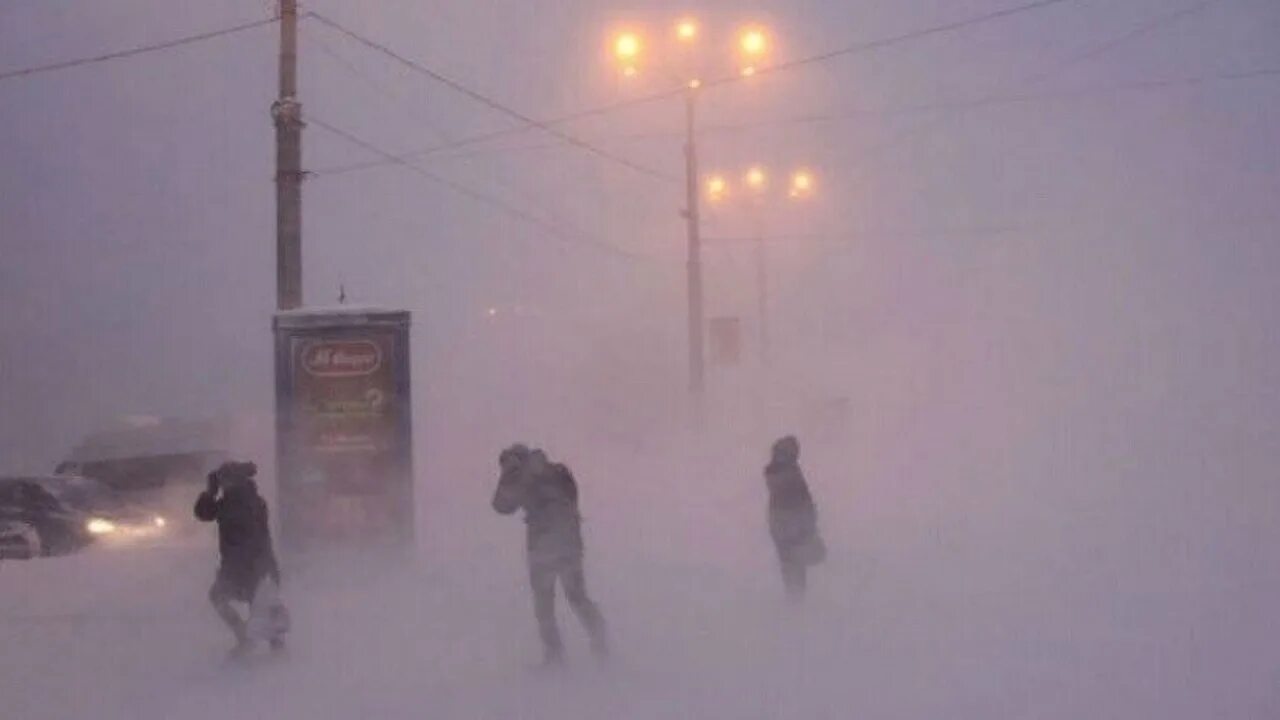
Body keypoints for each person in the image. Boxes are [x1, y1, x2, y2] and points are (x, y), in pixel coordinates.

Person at [492, 444, 607, 666]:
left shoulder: (525, 479)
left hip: (542, 546)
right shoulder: (557, 471)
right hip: (567, 542)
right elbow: (572, 498)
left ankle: (556, 656)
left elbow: (502, 505)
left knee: (545, 605)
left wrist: (510, 478)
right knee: (575, 597)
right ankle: (599, 640)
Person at [194, 460, 285, 656]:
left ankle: (261, 646)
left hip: (254, 568)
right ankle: (256, 642)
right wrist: (210, 492)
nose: (222, 485)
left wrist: (211, 492)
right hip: (250, 568)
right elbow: (203, 513)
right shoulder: (241, 500)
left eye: (224, 480)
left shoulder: (243, 502)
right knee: (236, 601)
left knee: (259, 606)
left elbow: (205, 513)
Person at [764, 435, 824, 600]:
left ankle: (794, 603)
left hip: (781, 528)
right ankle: (796, 605)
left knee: (790, 566)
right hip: (792, 527)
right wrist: (809, 524)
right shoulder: (789, 473)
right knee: (795, 568)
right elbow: (801, 501)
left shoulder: (777, 473)